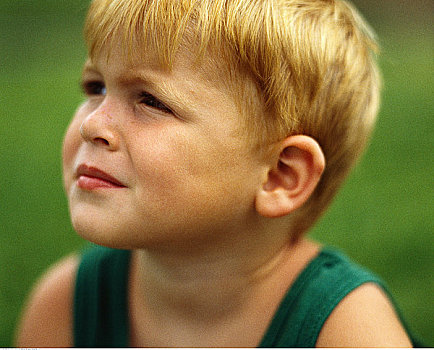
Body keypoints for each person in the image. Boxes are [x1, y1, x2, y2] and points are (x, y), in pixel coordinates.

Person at [16, 0, 418, 347]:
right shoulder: (66, 306)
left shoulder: (344, 329)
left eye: (151, 100)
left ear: (279, 175)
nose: (92, 125)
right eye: (96, 87)